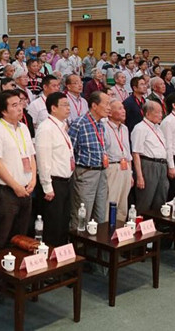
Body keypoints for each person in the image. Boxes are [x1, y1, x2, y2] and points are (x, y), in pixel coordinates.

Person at [0, 90, 36, 249]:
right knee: (2, 237)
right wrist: (15, 186)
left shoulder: (23, 128)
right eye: (14, 105)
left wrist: (33, 179)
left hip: (26, 189)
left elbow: (31, 156)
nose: (20, 108)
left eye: (20, 103)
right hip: (6, 191)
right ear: (3, 111)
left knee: (21, 237)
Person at [34, 92, 75, 247]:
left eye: (68, 104)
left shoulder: (61, 126)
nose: (68, 108)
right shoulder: (46, 127)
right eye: (64, 105)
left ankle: (61, 256)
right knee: (53, 225)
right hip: (53, 182)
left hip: (65, 181)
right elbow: (43, 159)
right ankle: (51, 256)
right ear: (53, 108)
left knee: (63, 223)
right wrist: (47, 186)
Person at [68, 91, 111, 228]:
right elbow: (70, 151)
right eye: (106, 104)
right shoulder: (79, 123)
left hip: (101, 172)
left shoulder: (101, 124)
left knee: (100, 213)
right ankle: (78, 240)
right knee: (82, 213)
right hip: (86, 173)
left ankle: (97, 240)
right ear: (94, 105)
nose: (109, 107)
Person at [131, 100, 172, 213]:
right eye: (157, 112)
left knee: (161, 198)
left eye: (161, 112)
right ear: (148, 114)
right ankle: (140, 222)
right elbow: (136, 153)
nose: (161, 115)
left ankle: (157, 223)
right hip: (148, 165)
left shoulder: (158, 128)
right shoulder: (140, 128)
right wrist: (139, 176)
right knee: (145, 199)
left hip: (162, 165)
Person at [104, 99, 132, 222]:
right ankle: (106, 229)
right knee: (111, 201)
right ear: (110, 112)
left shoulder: (125, 128)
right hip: (112, 167)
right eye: (120, 108)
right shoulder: (104, 127)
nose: (124, 111)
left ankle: (119, 229)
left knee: (123, 203)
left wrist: (130, 173)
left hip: (125, 167)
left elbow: (128, 152)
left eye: (123, 108)